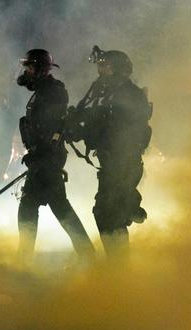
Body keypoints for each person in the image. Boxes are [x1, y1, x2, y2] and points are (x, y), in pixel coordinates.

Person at [69, 46, 152, 261]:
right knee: (107, 214)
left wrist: (85, 127)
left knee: (109, 214)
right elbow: (97, 119)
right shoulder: (110, 94)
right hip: (113, 164)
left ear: (117, 69)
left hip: (123, 164)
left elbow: (113, 126)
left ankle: (120, 271)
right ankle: (119, 266)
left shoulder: (128, 95)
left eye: (104, 67)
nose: (100, 72)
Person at [16, 49, 95, 267]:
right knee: (52, 208)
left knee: (45, 209)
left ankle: (25, 262)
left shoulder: (54, 91)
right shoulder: (42, 92)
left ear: (41, 69)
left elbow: (53, 129)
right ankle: (88, 256)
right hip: (42, 160)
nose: (27, 72)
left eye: (30, 67)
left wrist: (41, 156)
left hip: (48, 161)